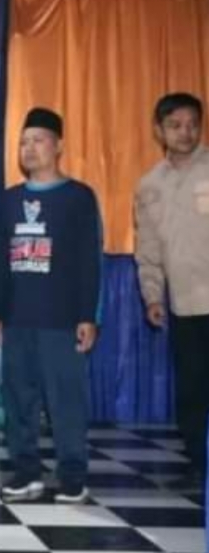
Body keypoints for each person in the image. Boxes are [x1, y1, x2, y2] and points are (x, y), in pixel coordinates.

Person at [0, 108, 102, 504]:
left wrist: (87, 316)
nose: (29, 148)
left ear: (58, 146)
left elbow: (89, 261)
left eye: (38, 140)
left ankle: (72, 476)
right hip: (17, 319)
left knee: (66, 401)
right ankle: (26, 472)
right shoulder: (9, 200)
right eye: (23, 142)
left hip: (61, 320)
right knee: (19, 400)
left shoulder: (79, 197)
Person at [134, 92, 209, 489]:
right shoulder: (149, 186)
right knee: (192, 389)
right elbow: (148, 249)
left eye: (193, 124)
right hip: (183, 305)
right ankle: (199, 462)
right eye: (176, 125)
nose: (186, 132)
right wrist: (152, 296)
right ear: (158, 130)